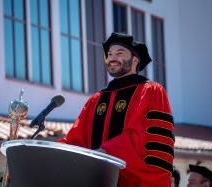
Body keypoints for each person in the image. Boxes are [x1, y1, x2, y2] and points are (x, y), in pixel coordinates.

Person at [59, 32, 174, 186]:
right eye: (109, 54)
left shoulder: (151, 91)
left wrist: (105, 153)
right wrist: (54, 155)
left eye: (120, 53)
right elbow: (76, 139)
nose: (112, 58)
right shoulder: (96, 99)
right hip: (96, 180)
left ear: (135, 60)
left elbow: (141, 136)